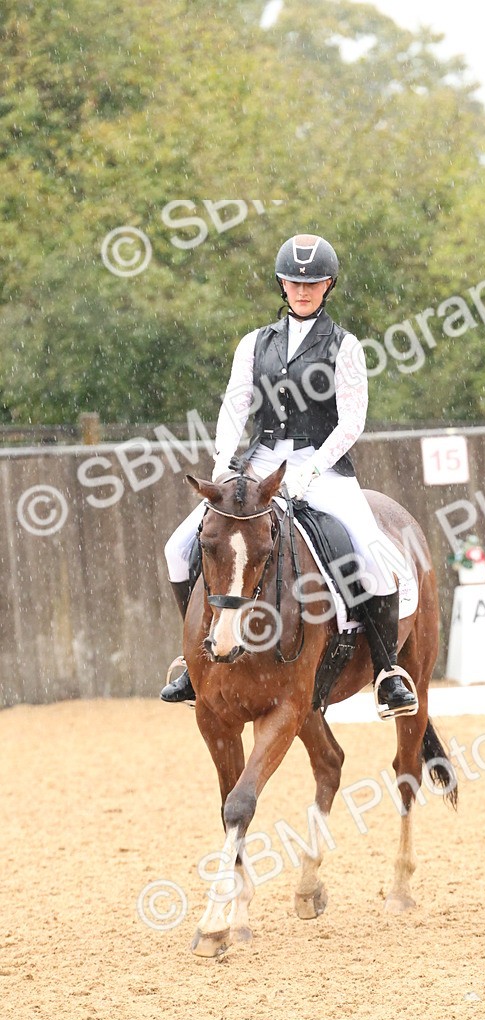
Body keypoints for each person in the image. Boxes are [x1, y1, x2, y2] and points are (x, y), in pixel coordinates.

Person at [160, 233, 419, 719]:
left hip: (323, 468)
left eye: (313, 282)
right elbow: (235, 404)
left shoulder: (346, 346)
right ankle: (194, 659)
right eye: (295, 282)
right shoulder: (255, 343)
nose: (303, 290)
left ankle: (387, 672)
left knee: (376, 559)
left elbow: (352, 422)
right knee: (179, 548)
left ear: (328, 285)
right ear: (282, 284)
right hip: (257, 468)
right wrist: (222, 464)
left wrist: (314, 469)